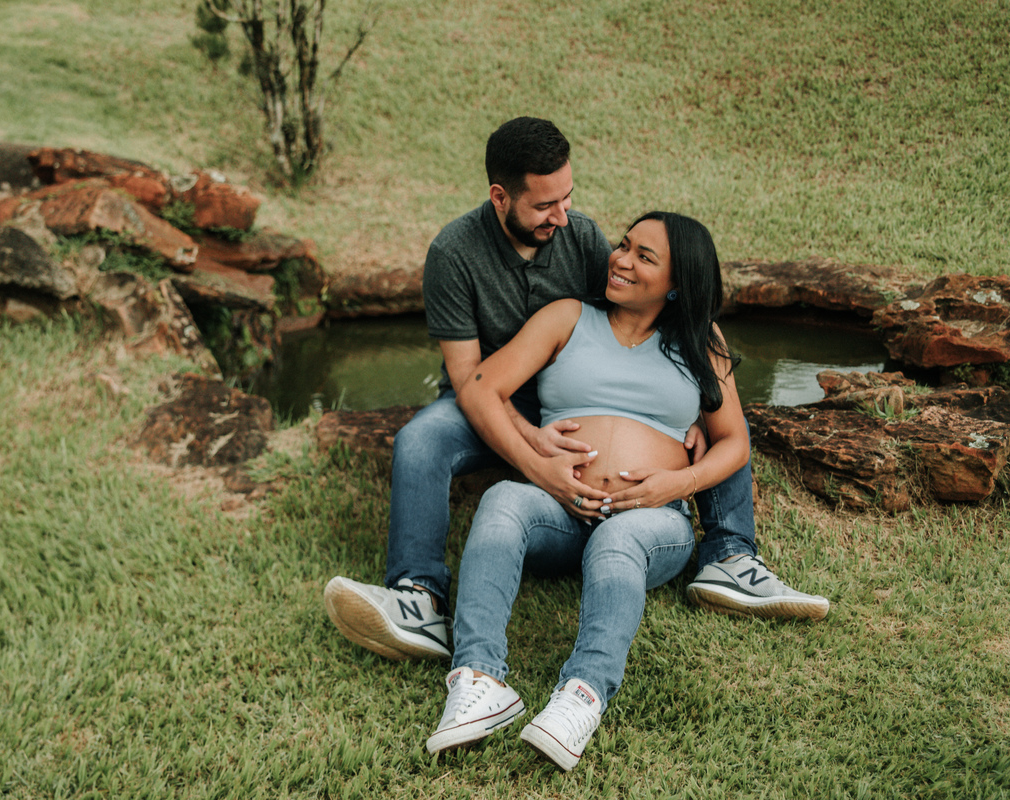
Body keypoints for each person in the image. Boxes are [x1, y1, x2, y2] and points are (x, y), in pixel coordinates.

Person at [323, 118, 827, 664]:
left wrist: (686, 411)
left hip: (568, 387)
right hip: (492, 395)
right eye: (545, 206)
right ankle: (418, 597)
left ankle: (729, 552)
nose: (562, 217)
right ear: (501, 197)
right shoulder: (455, 253)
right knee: (420, 440)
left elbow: (628, 321)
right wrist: (533, 454)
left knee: (705, 382)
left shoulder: (579, 236)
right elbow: (472, 382)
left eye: (568, 198)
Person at [426, 212, 747, 771]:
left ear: (677, 283)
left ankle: (582, 696)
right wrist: (534, 462)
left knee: (618, 543)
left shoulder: (701, 342)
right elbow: (481, 388)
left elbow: (733, 442)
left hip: (652, 523)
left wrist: (678, 483)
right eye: (623, 246)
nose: (619, 259)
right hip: (558, 511)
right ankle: (479, 680)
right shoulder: (566, 317)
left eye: (643, 256)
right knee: (503, 499)